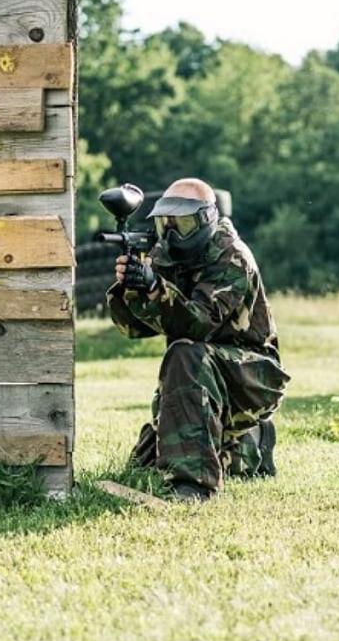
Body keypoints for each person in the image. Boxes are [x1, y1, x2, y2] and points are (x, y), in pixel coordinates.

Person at [106, 178, 290, 501]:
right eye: (167, 224)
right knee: (148, 461)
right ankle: (249, 443)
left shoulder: (231, 256)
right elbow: (134, 329)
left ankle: (193, 486)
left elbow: (199, 323)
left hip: (254, 378)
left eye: (184, 223)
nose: (174, 234)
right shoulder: (167, 253)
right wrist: (130, 289)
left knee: (186, 353)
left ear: (206, 219)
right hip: (201, 375)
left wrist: (154, 288)